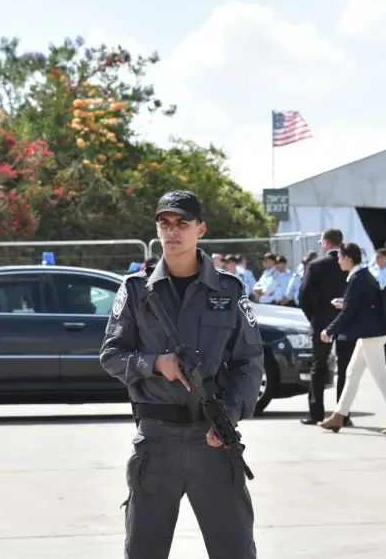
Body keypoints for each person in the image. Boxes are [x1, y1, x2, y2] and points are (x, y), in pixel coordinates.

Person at [99, 190, 264, 558]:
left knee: (234, 549)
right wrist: (155, 363)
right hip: (157, 444)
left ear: (200, 229)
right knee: (144, 551)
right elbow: (110, 355)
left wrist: (229, 417)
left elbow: (249, 362)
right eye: (164, 223)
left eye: (182, 223)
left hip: (213, 443)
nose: (172, 231)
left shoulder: (229, 290)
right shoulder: (136, 289)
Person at [317, 243, 386, 435]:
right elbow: (363, 303)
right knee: (352, 374)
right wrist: (345, 303)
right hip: (371, 333)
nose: (339, 262)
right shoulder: (362, 275)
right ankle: (338, 416)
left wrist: (329, 330)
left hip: (371, 335)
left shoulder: (358, 278)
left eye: (340, 258)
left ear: (348, 258)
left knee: (380, 377)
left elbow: (350, 311)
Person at [298, 228, 356, 427]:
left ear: (325, 243)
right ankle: (343, 414)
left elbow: (303, 296)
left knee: (318, 367)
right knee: (345, 368)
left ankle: (317, 413)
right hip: (347, 322)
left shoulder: (315, 265)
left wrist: (314, 318)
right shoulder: (350, 264)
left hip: (322, 322)